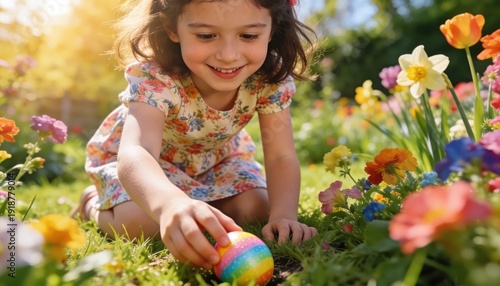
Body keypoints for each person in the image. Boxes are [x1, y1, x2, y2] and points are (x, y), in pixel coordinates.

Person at [72, 0, 318, 270]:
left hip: (217, 160)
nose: (228, 54)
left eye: (248, 35)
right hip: (152, 167)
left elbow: (281, 155)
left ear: (273, 29)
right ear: (172, 28)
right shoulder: (157, 77)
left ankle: (197, 203)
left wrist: (283, 215)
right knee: (141, 223)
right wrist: (170, 204)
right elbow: (136, 153)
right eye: (206, 35)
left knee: (257, 208)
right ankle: (92, 205)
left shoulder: (268, 77)